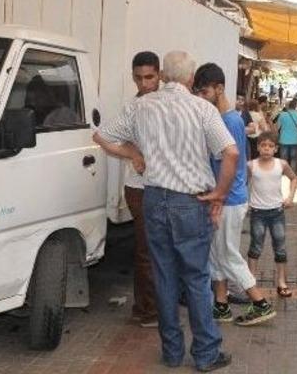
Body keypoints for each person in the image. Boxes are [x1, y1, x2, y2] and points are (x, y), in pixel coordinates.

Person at [93, 51, 236, 372]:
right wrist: (219, 194)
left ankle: (172, 353)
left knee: (164, 275)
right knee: (197, 278)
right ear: (190, 77)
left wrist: (133, 152)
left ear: (164, 76)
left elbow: (101, 136)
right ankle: (205, 354)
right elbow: (231, 152)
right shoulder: (202, 109)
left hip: (154, 198)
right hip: (191, 201)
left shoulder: (140, 107)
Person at [193, 63, 276, 327]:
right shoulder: (231, 118)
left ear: (219, 89)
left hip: (228, 199)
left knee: (227, 254)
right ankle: (221, 305)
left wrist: (218, 197)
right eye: (198, 93)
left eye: (204, 93)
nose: (201, 99)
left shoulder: (227, 120)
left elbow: (230, 161)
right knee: (217, 254)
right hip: (229, 197)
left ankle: (260, 302)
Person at [124, 51, 160, 328]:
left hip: (160, 187)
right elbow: (106, 137)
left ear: (159, 75)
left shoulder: (165, 104)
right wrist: (134, 152)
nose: (144, 83)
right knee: (147, 250)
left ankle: (149, 306)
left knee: (156, 249)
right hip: (139, 188)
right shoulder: (132, 107)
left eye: (149, 77)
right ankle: (148, 311)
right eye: (138, 78)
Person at [247, 131, 297, 298]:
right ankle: (251, 281)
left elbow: (294, 178)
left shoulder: (281, 164)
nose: (266, 149)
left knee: (280, 248)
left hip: (277, 212)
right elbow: (241, 182)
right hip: (257, 212)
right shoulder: (251, 165)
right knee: (255, 247)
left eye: (270, 146)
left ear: (276, 148)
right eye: (263, 145)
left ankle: (282, 282)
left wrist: (290, 197)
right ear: (258, 147)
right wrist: (244, 201)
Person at [274, 98, 297, 173]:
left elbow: (277, 127)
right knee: (293, 158)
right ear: (295, 107)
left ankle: (284, 172)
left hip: (284, 139)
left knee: (284, 158)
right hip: (295, 139)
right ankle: (293, 172)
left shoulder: (282, 115)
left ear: (288, 106)